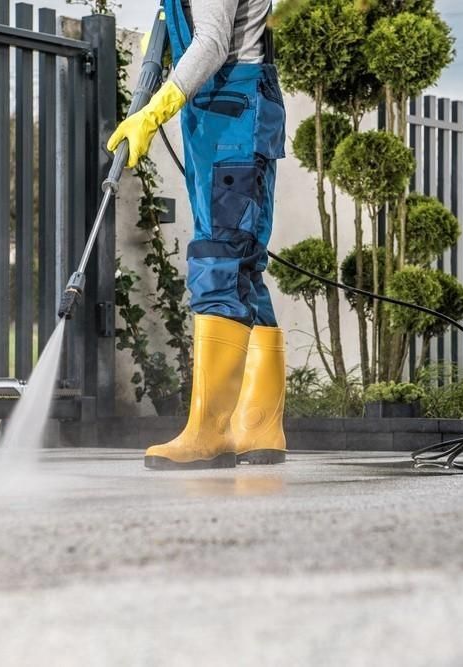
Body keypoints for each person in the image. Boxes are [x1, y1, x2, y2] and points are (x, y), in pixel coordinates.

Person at [107, 0, 287, 470]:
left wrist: (155, 110)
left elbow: (210, 43)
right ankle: (260, 426)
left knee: (217, 260)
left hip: (231, 120)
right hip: (230, 117)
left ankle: (210, 431)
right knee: (245, 268)